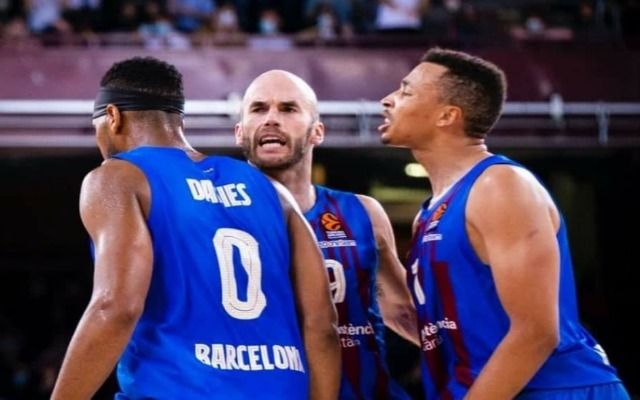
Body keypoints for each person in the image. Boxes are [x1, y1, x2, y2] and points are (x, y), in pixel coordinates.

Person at [51, 57, 340, 399]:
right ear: (178, 121)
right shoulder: (273, 191)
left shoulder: (117, 178)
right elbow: (323, 325)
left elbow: (116, 307)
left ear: (112, 117)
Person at [379, 47, 630, 399]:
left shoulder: (499, 185)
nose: (387, 100)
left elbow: (536, 333)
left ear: (447, 115)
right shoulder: (430, 212)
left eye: (406, 91)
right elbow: (439, 329)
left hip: (555, 389)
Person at [235, 69, 420, 400]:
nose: (271, 119)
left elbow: (403, 311)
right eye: (259, 109)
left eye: (288, 109)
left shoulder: (362, 213)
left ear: (317, 132)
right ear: (239, 132)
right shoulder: (214, 219)